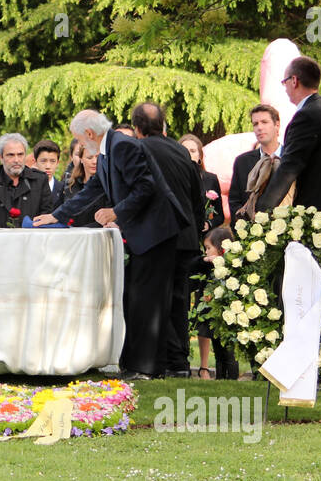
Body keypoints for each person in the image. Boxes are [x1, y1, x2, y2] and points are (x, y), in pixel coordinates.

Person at [36, 110, 188, 379]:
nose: (81, 145)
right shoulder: (109, 149)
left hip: (156, 231)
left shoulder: (123, 146)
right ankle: (136, 365)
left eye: (80, 140)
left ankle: (146, 368)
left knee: (148, 302)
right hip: (147, 232)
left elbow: (145, 187)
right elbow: (94, 188)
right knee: (137, 299)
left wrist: (116, 212)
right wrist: (57, 215)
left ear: (90, 134)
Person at [133, 103, 204, 379]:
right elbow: (197, 198)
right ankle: (178, 362)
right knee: (177, 302)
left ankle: (155, 363)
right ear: (163, 124)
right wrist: (195, 232)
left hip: (157, 236)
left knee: (153, 301)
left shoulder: (139, 150)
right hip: (185, 237)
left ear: (137, 128)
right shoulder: (179, 150)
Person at [257, 57, 321, 216]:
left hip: (311, 212)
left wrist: (262, 210)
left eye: (284, 82)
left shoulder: (307, 116)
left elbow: (289, 167)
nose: (285, 87)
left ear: (294, 80)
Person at [0, 133, 52, 225]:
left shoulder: (40, 181)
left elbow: (47, 218)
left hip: (31, 238)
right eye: (11, 155)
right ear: (1, 157)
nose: (16, 160)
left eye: (20, 154)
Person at [228, 104, 281, 220]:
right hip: (252, 232)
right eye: (255, 124)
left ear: (277, 125)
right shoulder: (242, 162)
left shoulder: (291, 158)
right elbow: (234, 201)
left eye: (264, 122)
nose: (259, 128)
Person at [199, 226, 237, 380]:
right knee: (217, 348)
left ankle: (231, 377)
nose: (206, 252)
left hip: (226, 315)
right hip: (214, 315)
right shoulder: (209, 266)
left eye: (208, 248)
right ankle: (220, 378)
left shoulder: (231, 265)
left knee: (228, 351)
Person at [178, 133, 222, 233]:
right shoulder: (172, 178)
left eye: (193, 151)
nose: (188, 154)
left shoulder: (211, 179)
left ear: (200, 156)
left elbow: (220, 216)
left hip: (202, 235)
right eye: (184, 150)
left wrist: (209, 224)